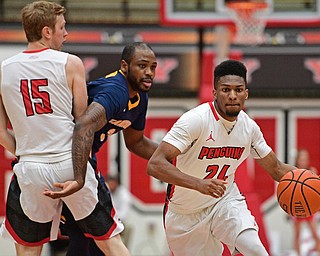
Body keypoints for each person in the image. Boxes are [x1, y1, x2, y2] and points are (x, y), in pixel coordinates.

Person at [146, 59, 298, 256]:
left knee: (256, 250)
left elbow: (276, 168)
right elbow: (155, 165)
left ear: (246, 93)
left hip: (225, 202)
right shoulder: (196, 120)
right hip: (185, 214)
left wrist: (312, 181)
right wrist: (199, 184)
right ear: (215, 93)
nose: (233, 95)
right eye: (226, 90)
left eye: (238, 89)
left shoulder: (249, 128)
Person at [45, 42, 158, 256]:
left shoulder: (140, 97)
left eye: (153, 67)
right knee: (102, 236)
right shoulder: (116, 90)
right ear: (124, 66)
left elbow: (136, 143)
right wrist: (81, 178)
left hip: (73, 160)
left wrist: (174, 153)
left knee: (84, 236)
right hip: (65, 158)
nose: (149, 72)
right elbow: (84, 124)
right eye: (142, 66)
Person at [0, 1, 89, 255]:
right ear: (47, 32)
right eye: (62, 27)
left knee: (28, 249)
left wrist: (27, 150)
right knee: (108, 239)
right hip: (69, 162)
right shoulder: (70, 62)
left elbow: (0, 133)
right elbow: (82, 122)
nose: (66, 33)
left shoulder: (4, 69)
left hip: (31, 166)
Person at [293, 149, 320, 256]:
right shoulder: (293, 172)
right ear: (297, 160)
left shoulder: (312, 171)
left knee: (314, 233)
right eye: (301, 159)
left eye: (305, 159)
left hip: (309, 207)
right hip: (297, 206)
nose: (303, 161)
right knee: (297, 235)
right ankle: (298, 254)